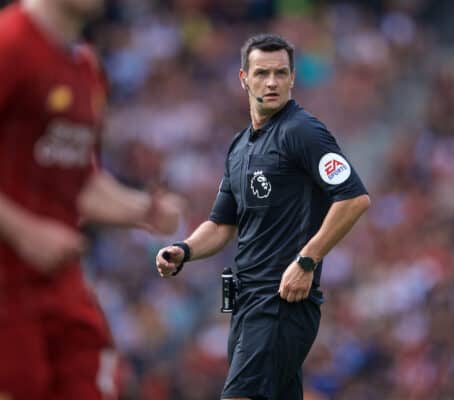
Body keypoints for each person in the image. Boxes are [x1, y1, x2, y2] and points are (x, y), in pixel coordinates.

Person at [155, 33, 371, 400]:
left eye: (280, 73)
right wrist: (184, 250)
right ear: (244, 78)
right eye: (261, 73)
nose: (271, 82)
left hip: (280, 303)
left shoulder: (303, 131)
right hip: (246, 303)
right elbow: (222, 224)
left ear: (292, 79)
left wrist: (307, 260)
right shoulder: (240, 146)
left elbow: (354, 198)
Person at [0, 1, 182, 399]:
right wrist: (23, 229)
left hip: (58, 280)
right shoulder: (9, 43)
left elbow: (79, 180)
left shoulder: (85, 67)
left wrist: (142, 209)